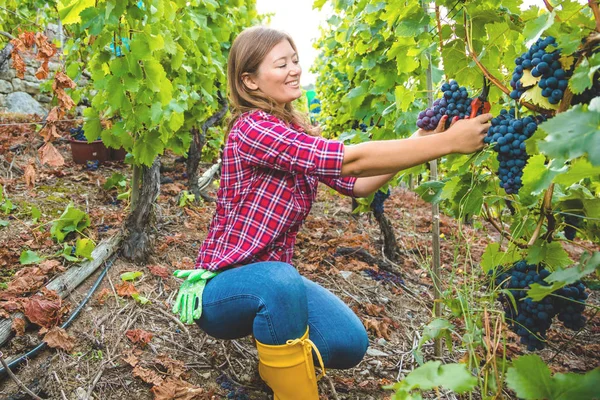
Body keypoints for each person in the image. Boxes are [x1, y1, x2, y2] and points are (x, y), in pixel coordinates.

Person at [171, 26, 492, 400]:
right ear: (250, 81)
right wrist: (447, 143)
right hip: (223, 289)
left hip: (275, 284)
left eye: (294, 60)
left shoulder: (289, 130)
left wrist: (421, 141)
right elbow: (351, 162)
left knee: (347, 341)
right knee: (280, 279)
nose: (294, 70)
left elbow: (358, 185)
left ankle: (272, 372)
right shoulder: (253, 130)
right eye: (281, 64)